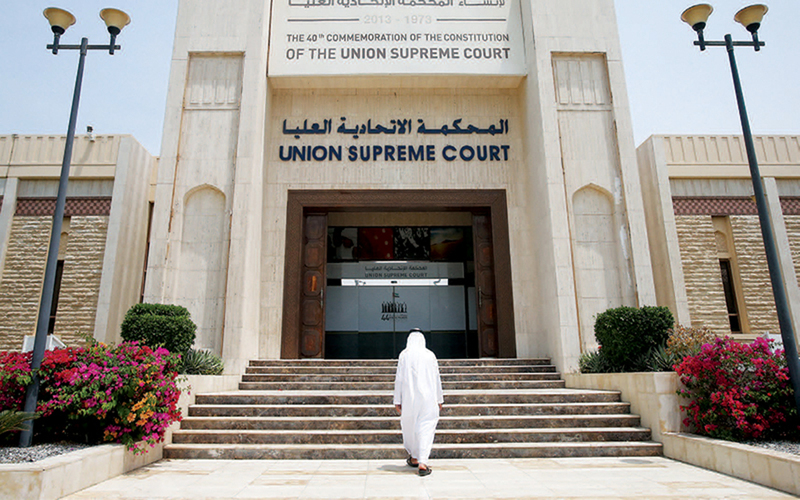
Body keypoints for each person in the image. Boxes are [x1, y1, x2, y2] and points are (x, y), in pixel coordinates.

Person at [393, 328, 444, 476]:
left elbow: (399, 379)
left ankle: (415, 457)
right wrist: (439, 399)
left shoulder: (404, 355)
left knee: (411, 428)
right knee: (426, 428)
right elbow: (437, 378)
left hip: (409, 399)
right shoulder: (430, 355)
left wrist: (397, 400)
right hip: (428, 399)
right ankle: (421, 461)